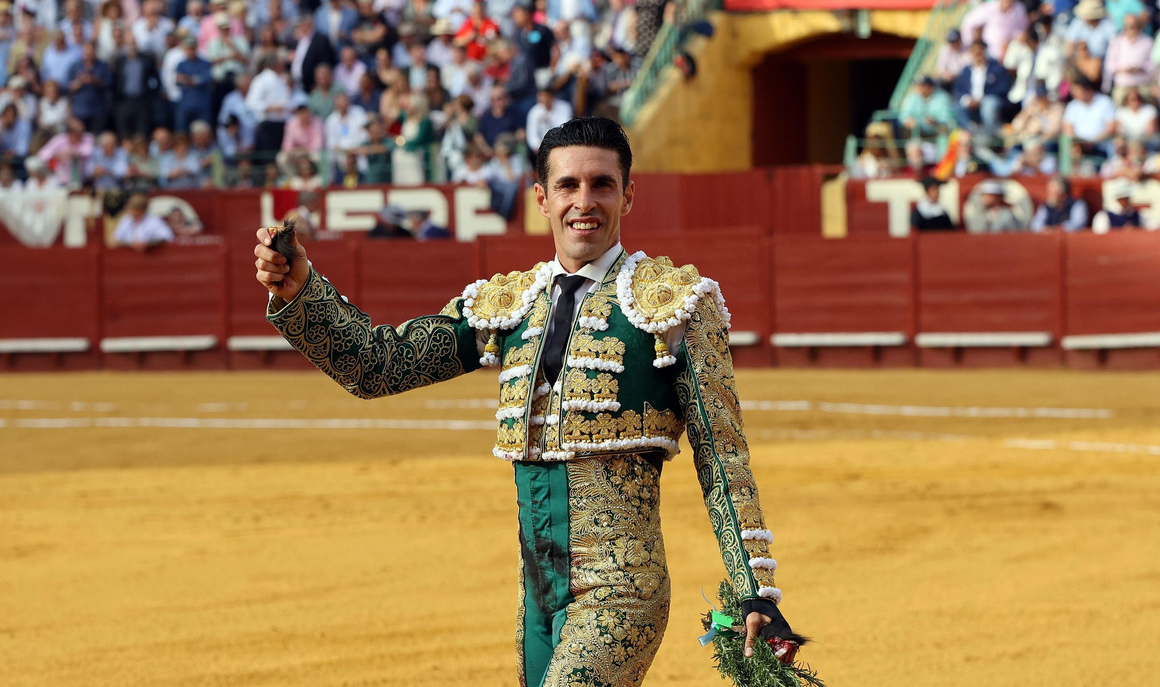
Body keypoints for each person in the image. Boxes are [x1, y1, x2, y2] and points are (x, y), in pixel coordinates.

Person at [253, 118, 795, 684]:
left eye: (602, 185)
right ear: (542, 197)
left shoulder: (675, 305)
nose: (584, 202)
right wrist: (300, 291)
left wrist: (755, 588)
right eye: (568, 186)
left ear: (628, 195)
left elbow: (721, 456)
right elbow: (377, 366)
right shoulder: (509, 305)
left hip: (622, 589)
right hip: (537, 595)